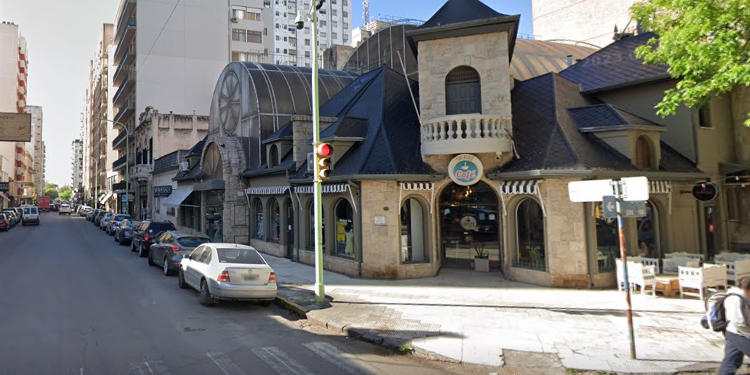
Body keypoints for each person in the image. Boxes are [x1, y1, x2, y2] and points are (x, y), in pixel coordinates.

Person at [720, 276, 750, 375]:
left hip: (734, 332)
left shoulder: (743, 297)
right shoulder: (735, 299)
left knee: (731, 360)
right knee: (731, 360)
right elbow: (738, 322)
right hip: (738, 333)